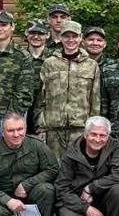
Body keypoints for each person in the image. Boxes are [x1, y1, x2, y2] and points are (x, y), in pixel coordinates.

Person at [55, 115, 119, 216]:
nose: (98, 139)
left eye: (103, 135)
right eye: (93, 134)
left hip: (105, 196)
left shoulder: (115, 147)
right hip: (80, 199)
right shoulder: (71, 153)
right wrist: (85, 208)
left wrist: (91, 187)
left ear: (108, 136)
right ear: (85, 134)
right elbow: (62, 188)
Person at [36, 21, 102, 159]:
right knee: (53, 167)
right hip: (53, 130)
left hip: (80, 129)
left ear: (80, 38)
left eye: (74, 36)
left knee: (78, 168)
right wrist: (41, 127)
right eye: (67, 36)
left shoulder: (91, 65)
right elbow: (41, 98)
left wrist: (93, 129)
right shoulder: (49, 63)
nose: (71, 40)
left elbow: (95, 100)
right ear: (60, 37)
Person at [0, 10, 38, 127]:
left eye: (3, 25)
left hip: (9, 121)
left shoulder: (22, 56)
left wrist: (9, 119)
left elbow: (24, 93)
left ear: (12, 27)